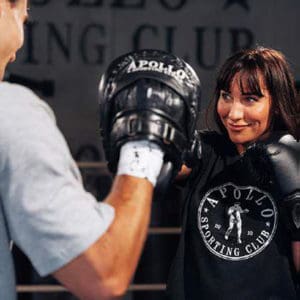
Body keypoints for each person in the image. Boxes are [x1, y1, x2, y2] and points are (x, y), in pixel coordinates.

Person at [0, 1, 202, 299]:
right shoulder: (10, 111)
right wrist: (144, 142)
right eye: (24, 19)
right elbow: (102, 273)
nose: (19, 45)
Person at [167, 47, 300, 300]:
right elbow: (152, 170)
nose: (233, 113)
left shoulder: (293, 163)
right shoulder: (206, 152)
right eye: (226, 96)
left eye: (250, 99)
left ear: (277, 102)